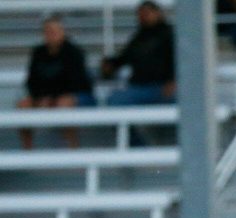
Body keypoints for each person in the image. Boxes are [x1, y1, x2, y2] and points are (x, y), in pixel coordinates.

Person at [17, 15, 95, 150]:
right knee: (23, 104)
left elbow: (76, 83)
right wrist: (41, 97)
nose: (51, 34)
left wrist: (50, 98)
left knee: (64, 102)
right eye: (47, 31)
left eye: (55, 31)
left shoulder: (74, 52)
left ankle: (73, 148)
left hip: (76, 96)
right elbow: (31, 81)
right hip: (45, 96)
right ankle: (27, 150)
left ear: (62, 32)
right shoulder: (38, 52)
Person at [101, 1, 176, 106]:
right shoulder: (139, 37)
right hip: (139, 86)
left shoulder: (170, 34)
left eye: (147, 13)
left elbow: (179, 60)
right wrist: (110, 64)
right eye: (140, 14)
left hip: (163, 86)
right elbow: (125, 58)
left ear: (158, 13)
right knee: (115, 99)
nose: (143, 17)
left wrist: (172, 81)